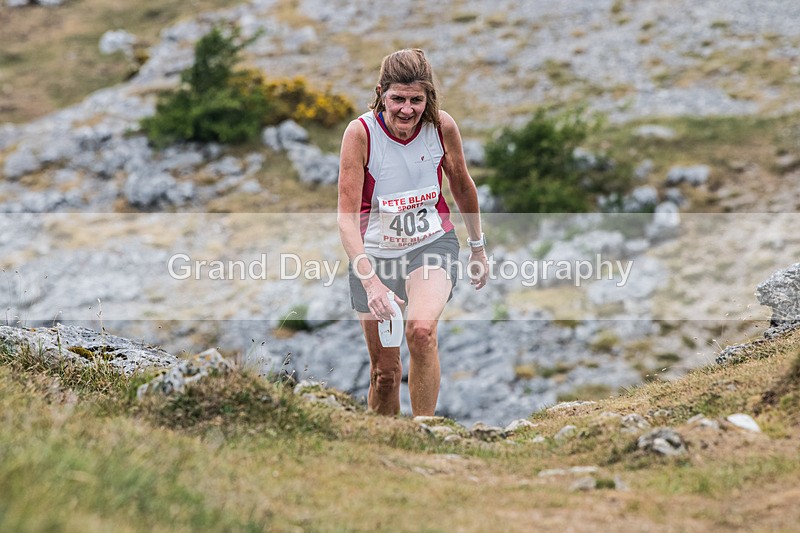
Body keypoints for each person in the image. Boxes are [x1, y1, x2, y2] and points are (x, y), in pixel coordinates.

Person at [337, 48, 488, 417]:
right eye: (398, 99)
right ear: (381, 94)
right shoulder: (360, 135)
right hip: (374, 256)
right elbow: (345, 218)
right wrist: (371, 284)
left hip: (431, 244)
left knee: (421, 332)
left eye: (416, 100)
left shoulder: (441, 127)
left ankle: (426, 435)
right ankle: (384, 449)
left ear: (429, 98)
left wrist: (478, 248)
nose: (407, 110)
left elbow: (462, 185)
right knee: (385, 374)